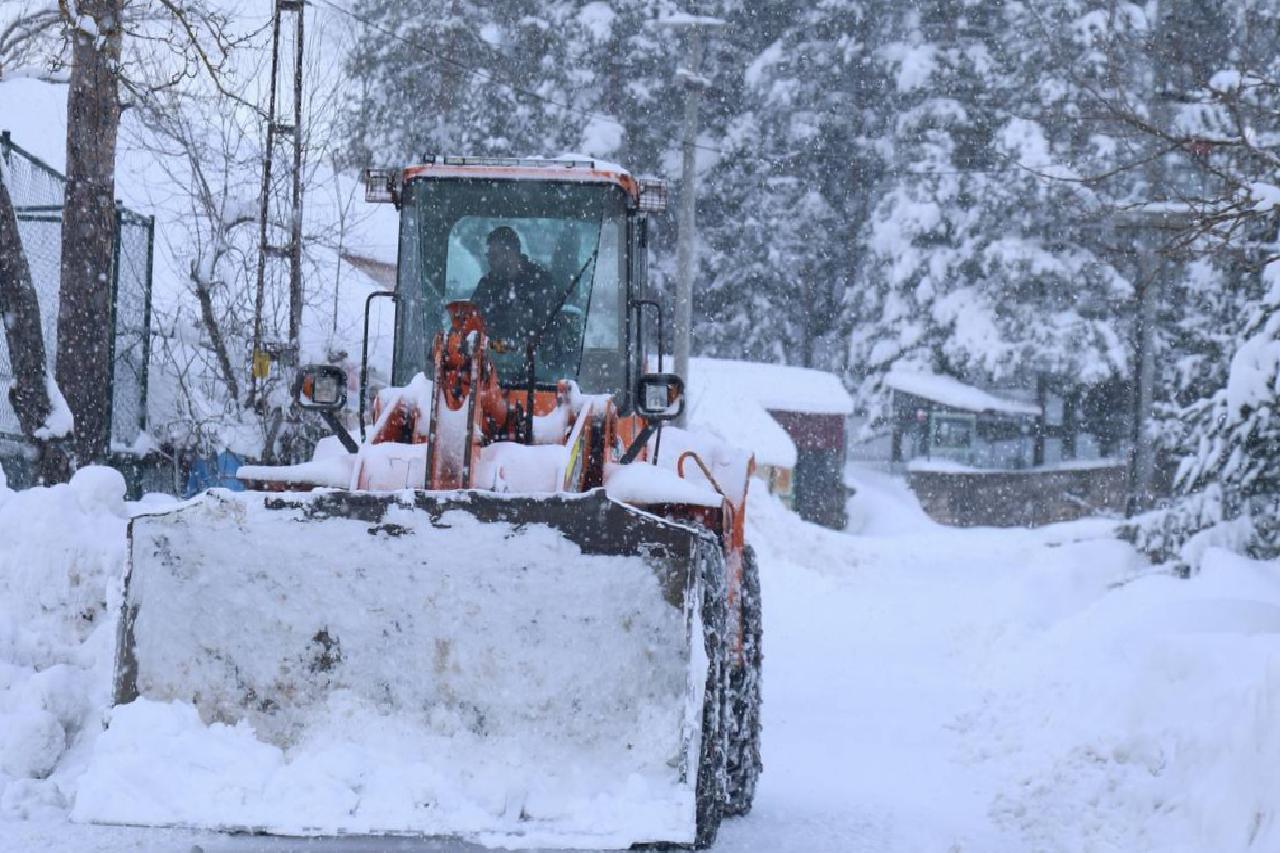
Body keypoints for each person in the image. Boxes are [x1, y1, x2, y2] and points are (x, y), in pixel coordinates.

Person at [469, 226, 562, 347]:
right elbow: (471, 319)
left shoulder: (541, 282)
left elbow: (550, 331)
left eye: (494, 256)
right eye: (489, 256)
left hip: (532, 359)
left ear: (511, 253)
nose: (490, 261)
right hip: (490, 357)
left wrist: (525, 324)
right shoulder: (487, 284)